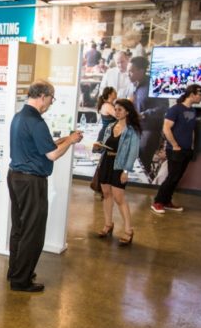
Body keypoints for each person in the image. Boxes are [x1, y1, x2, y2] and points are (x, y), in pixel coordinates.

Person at [7, 80, 83, 292]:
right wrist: (70, 142)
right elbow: (53, 154)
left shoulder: (20, 116)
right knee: (33, 232)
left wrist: (67, 138)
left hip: (15, 177)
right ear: (42, 96)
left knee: (19, 228)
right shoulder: (37, 122)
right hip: (31, 182)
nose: (51, 102)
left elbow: (42, 146)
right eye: (51, 98)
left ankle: (15, 272)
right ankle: (21, 280)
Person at [94, 99, 141, 246]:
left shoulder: (132, 130)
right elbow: (104, 146)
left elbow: (133, 152)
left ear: (127, 111)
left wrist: (126, 170)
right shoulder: (110, 126)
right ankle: (108, 224)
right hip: (106, 163)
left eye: (120, 109)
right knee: (106, 195)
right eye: (116, 109)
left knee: (119, 198)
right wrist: (98, 147)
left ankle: (128, 230)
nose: (117, 111)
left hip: (119, 166)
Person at [151, 84, 201, 214]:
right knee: (172, 177)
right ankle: (158, 202)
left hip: (186, 150)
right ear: (191, 94)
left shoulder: (192, 110)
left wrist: (191, 146)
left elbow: (191, 131)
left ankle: (167, 201)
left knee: (177, 177)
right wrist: (174, 145)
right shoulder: (175, 109)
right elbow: (166, 128)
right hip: (175, 150)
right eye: (200, 94)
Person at [128, 56, 168, 176]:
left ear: (140, 71)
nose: (128, 74)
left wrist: (144, 114)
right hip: (138, 127)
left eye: (131, 71)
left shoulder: (154, 84)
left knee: (143, 159)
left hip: (150, 129)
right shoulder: (136, 85)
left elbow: (163, 107)